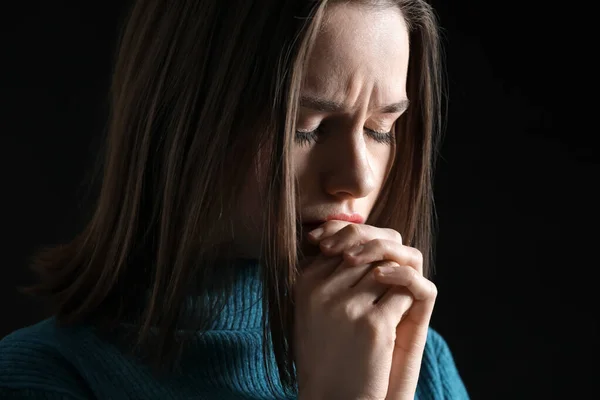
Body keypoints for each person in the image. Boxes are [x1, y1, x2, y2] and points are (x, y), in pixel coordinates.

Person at [0, 0, 469, 398]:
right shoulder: (48, 376)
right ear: (187, 119)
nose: (359, 178)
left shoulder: (417, 359)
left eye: (379, 130)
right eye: (305, 128)